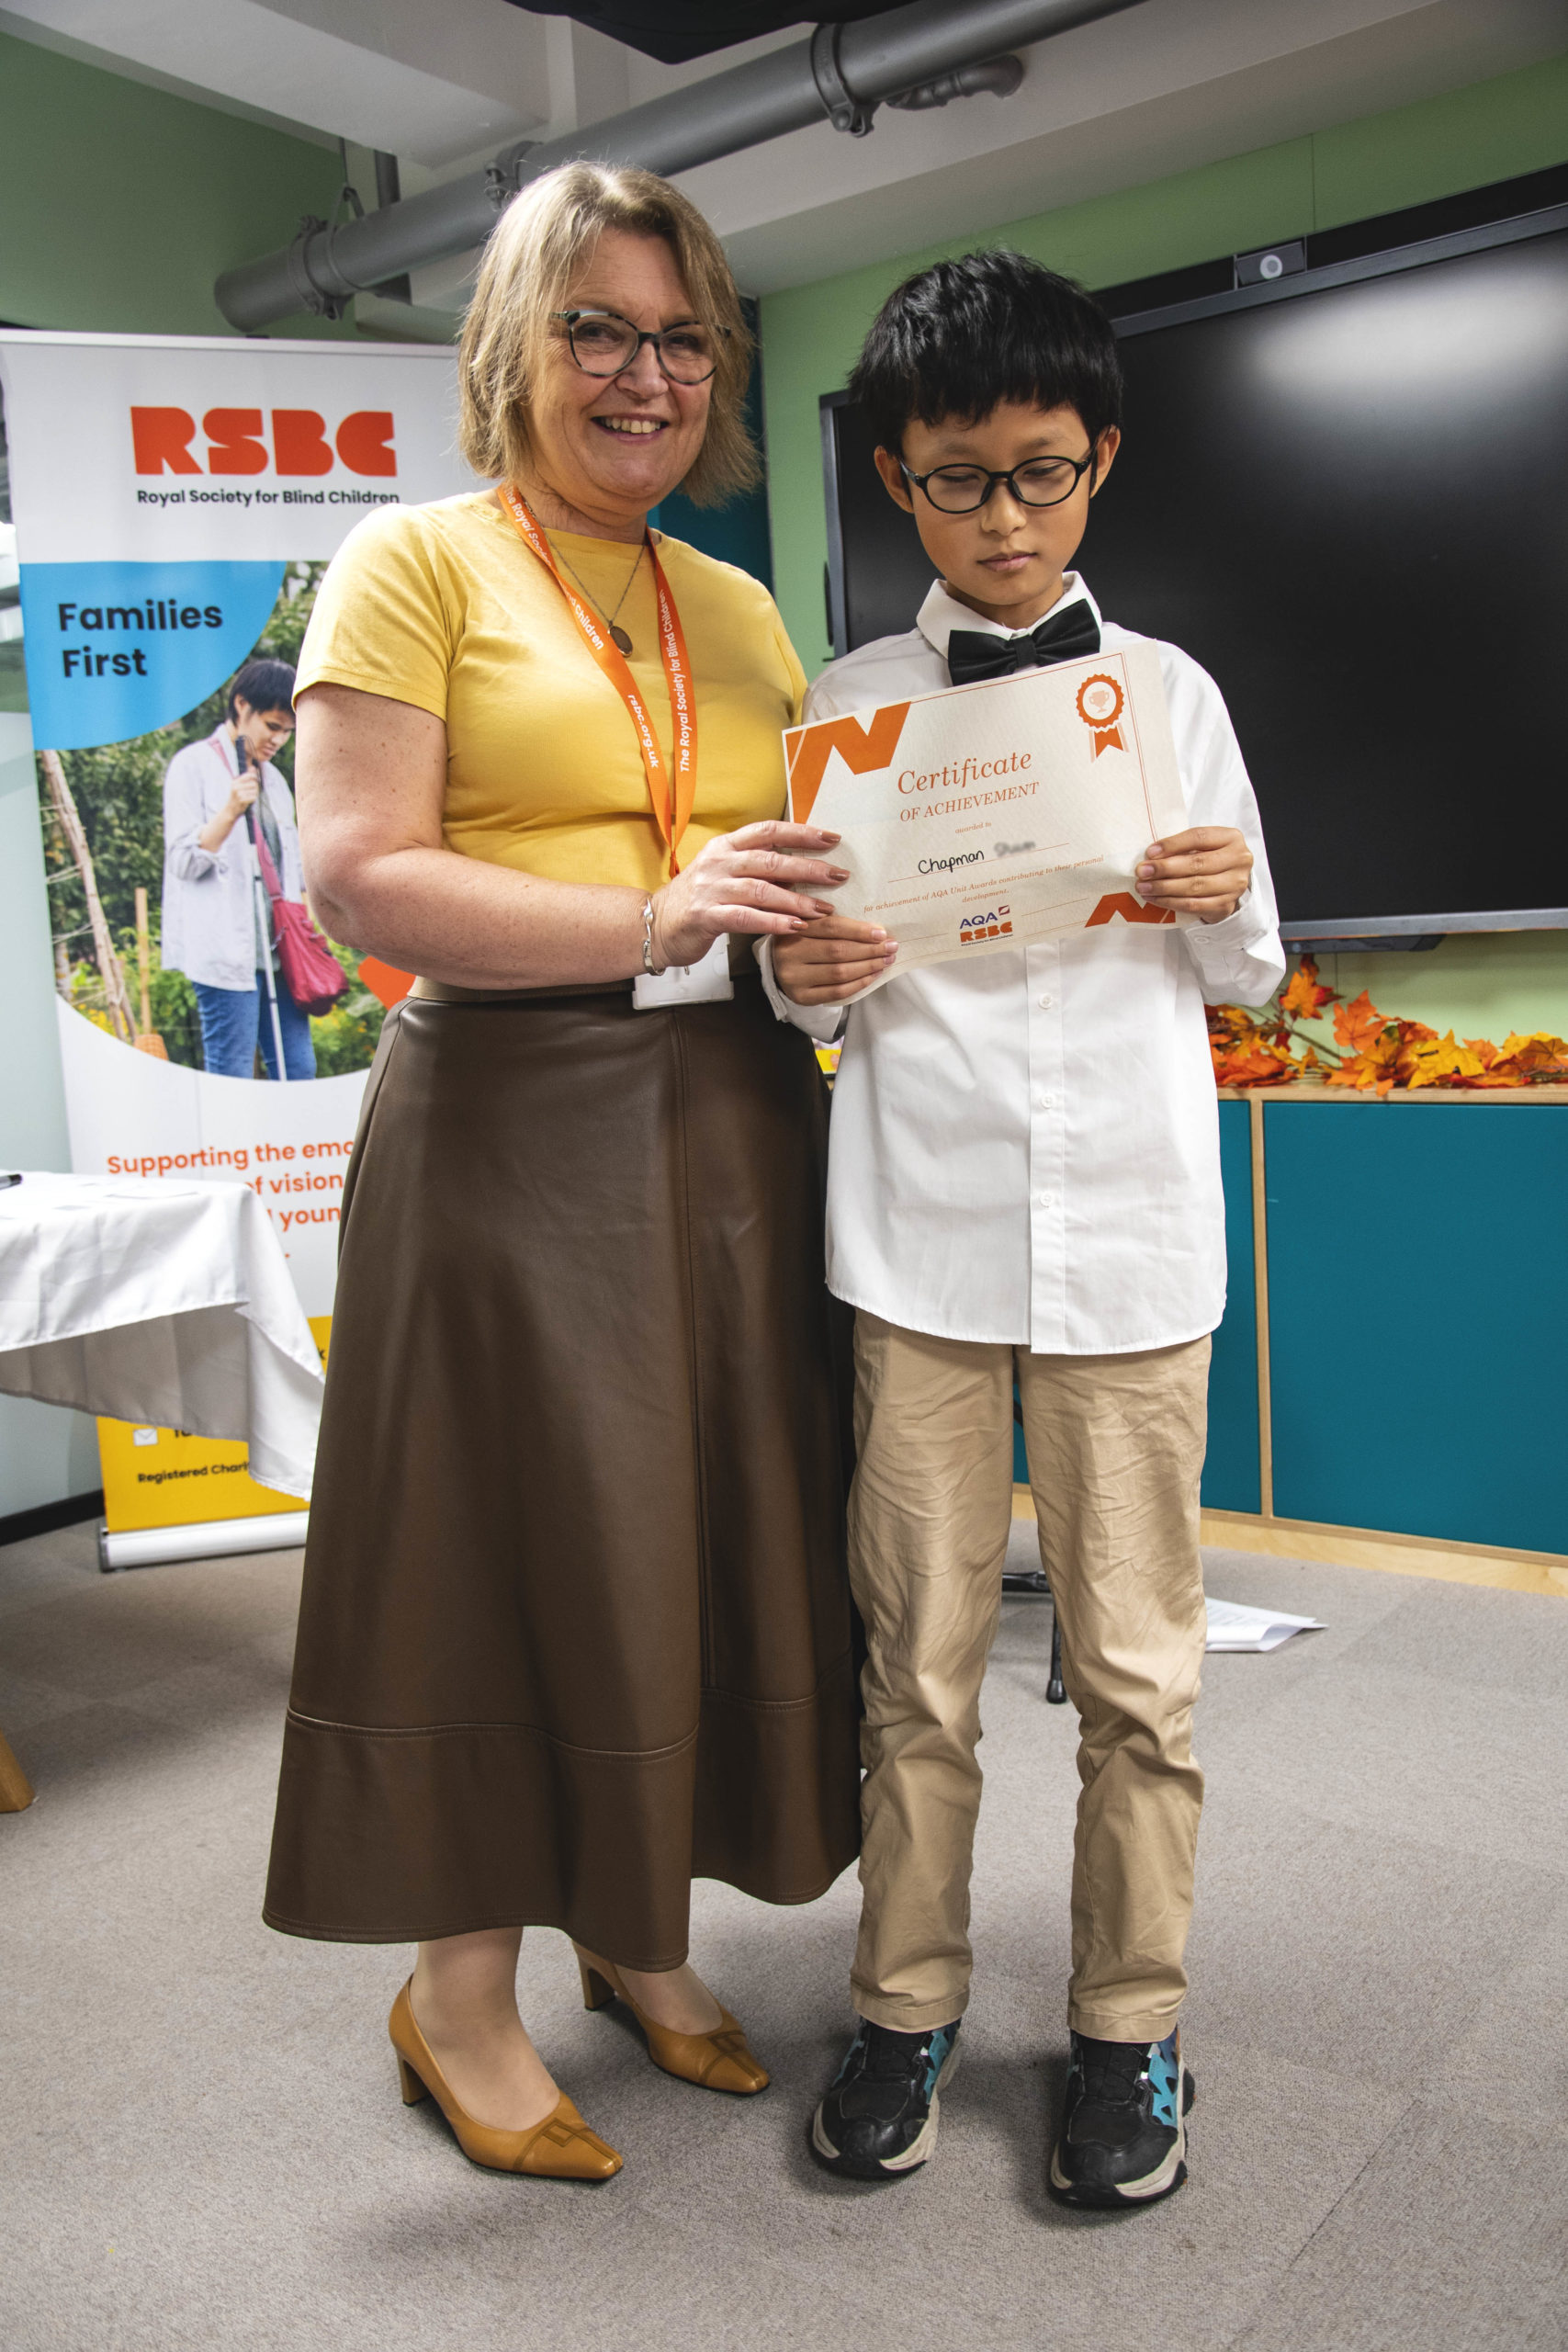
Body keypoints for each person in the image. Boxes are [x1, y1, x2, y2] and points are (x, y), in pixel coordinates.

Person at [263, 162, 860, 2184]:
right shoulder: (411, 561)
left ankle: (634, 1924)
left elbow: (784, 860)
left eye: (681, 336)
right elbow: (358, 874)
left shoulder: (742, 604)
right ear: (516, 344)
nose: (645, 373)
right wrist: (651, 920)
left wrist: (816, 937)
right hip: (510, 1129)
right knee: (501, 1552)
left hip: (730, 1132)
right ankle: (454, 1987)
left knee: (682, 1539)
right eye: (598, 329)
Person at [766, 250, 1284, 2205]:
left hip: (1134, 1243)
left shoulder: (1168, 697)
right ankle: (900, 1999)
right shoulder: (844, 708)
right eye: (960, 478)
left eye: (1043, 474)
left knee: (1138, 1671)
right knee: (914, 1661)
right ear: (898, 477)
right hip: (913, 1236)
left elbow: (1243, 970)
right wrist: (805, 966)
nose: (1002, 518)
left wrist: (1221, 887)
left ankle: (1126, 2029)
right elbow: (806, 1001)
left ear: (1101, 467)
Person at [162, 656, 316, 1080]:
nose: (279, 741)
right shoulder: (192, 766)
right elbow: (181, 861)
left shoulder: (275, 780)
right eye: (272, 726)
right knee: (230, 1073)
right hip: (225, 951)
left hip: (281, 950)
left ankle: (290, 1146)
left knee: (298, 1068)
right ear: (241, 705)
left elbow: (293, 863)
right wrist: (230, 810)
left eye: (288, 732)